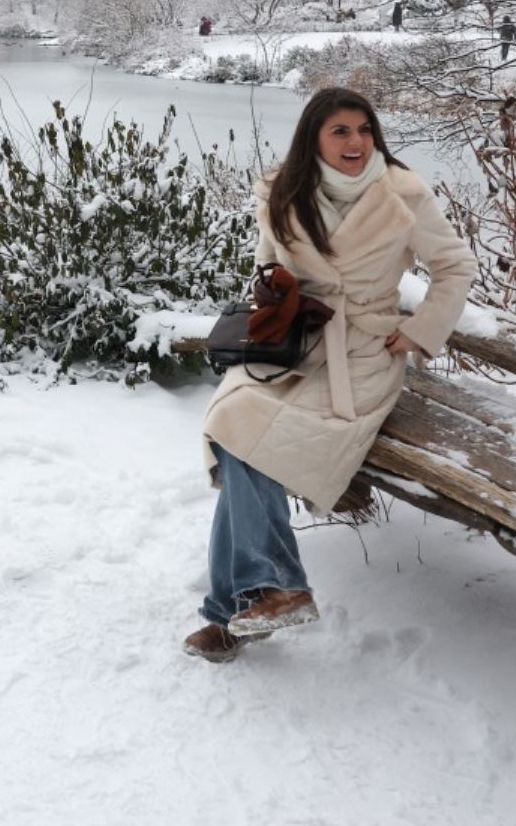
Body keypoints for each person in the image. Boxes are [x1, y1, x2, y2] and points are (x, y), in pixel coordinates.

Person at [183, 87, 477, 661]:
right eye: (340, 131)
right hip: (295, 347)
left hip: (363, 355)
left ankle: (238, 608)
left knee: (245, 439)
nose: (356, 142)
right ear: (313, 137)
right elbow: (267, 267)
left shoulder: (403, 194)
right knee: (232, 424)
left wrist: (420, 331)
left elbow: (455, 267)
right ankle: (268, 591)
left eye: (365, 130)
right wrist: (276, 288)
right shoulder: (282, 191)